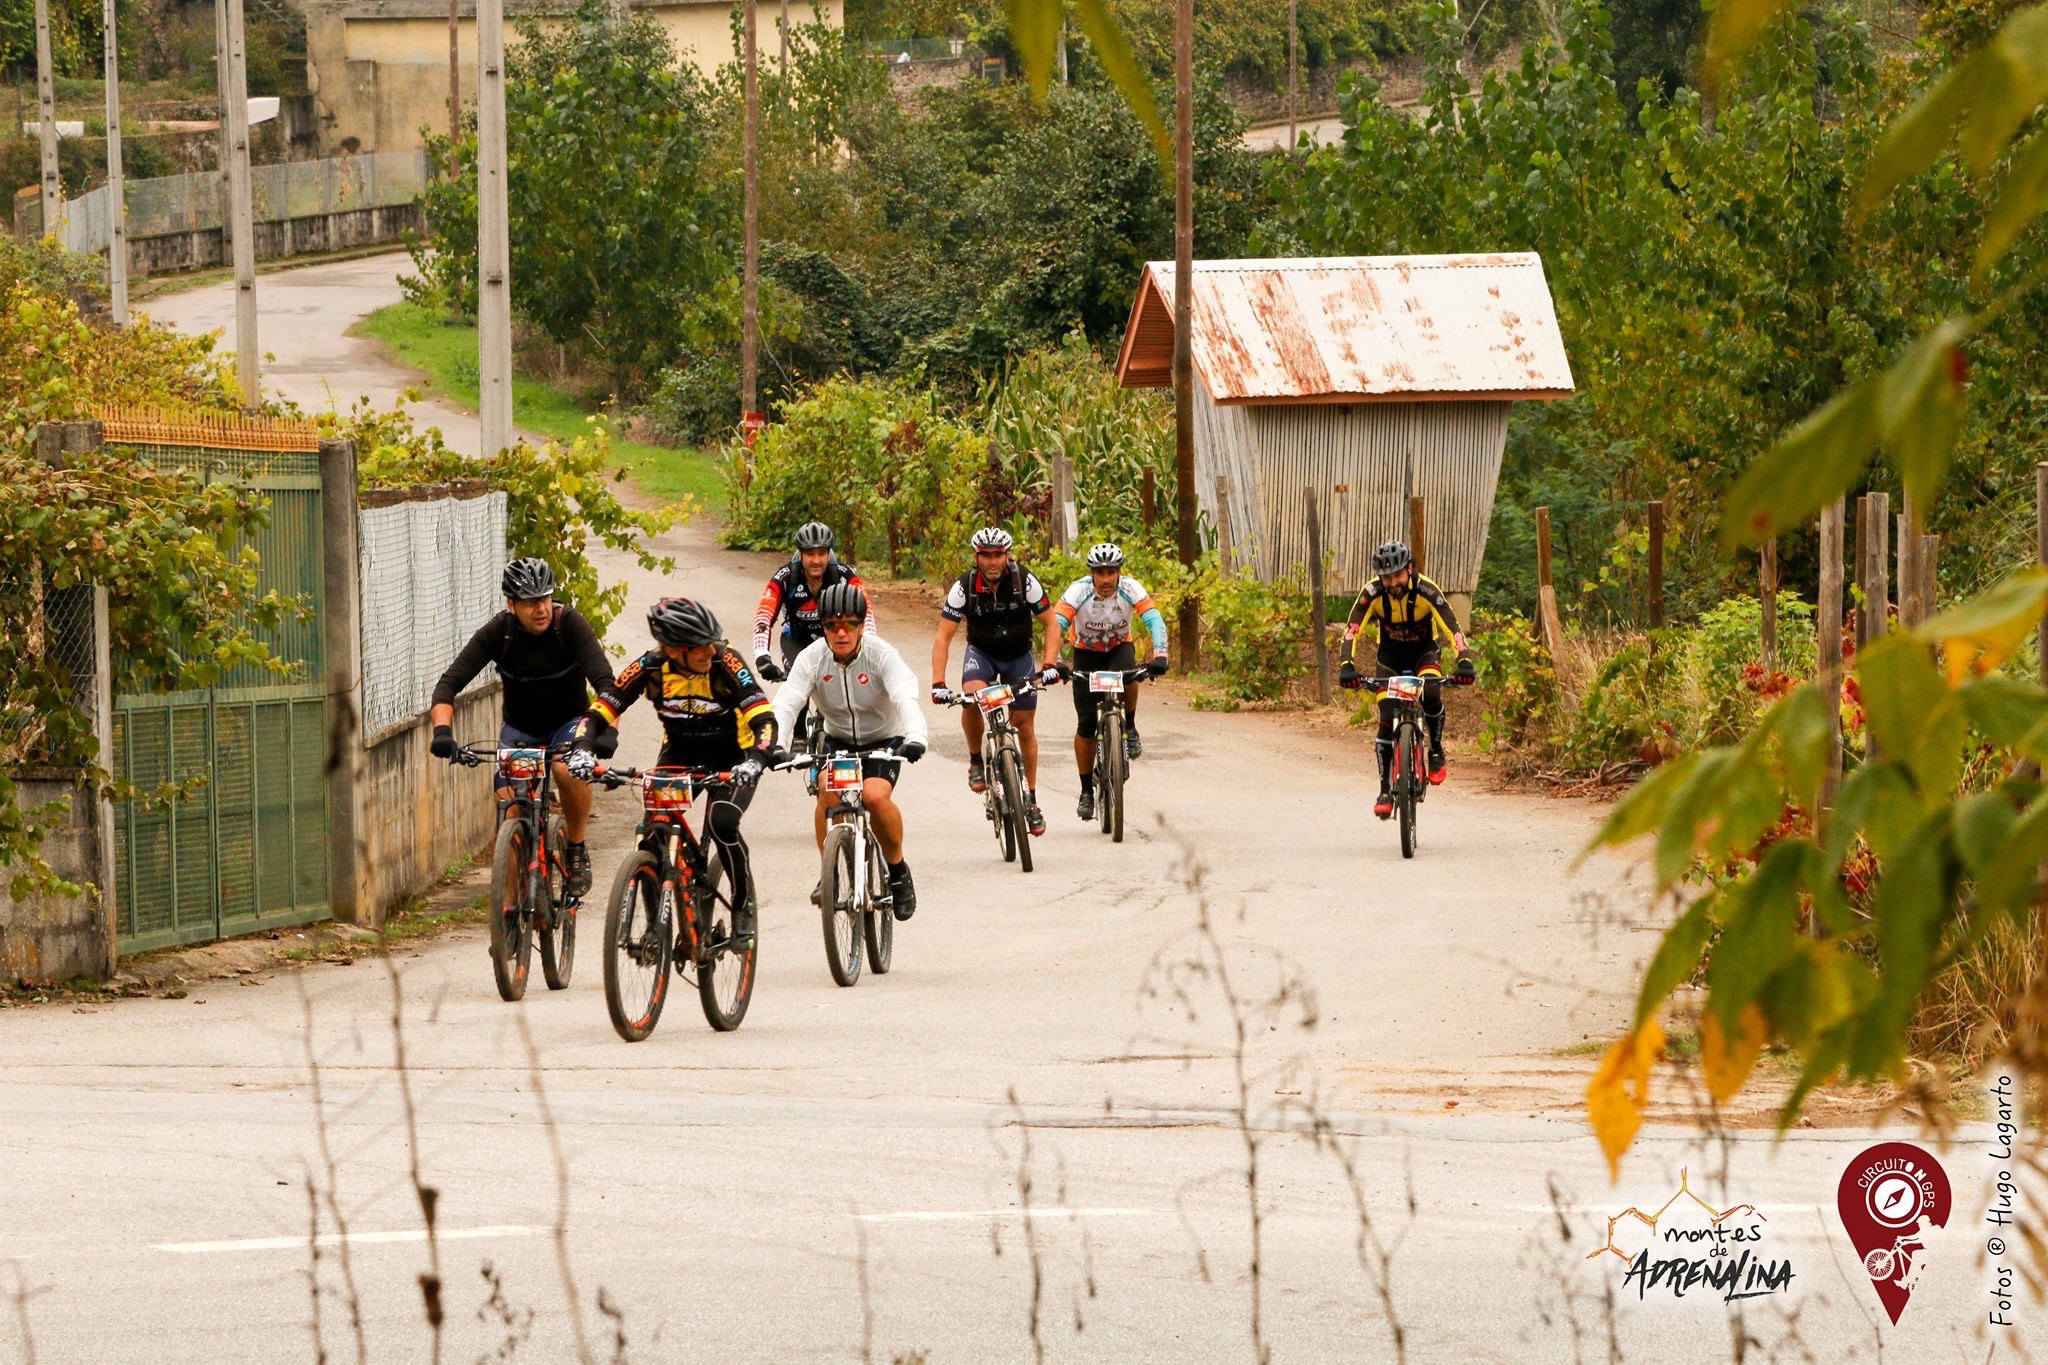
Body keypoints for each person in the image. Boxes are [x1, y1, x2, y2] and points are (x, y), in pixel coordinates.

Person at [567, 597, 781, 932]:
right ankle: (656, 929)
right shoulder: (651, 666)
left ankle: (743, 904)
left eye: (711, 642)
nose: (710, 651)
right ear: (672, 650)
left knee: (723, 822)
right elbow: (601, 710)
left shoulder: (725, 661)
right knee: (653, 831)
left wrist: (756, 759)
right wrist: (581, 749)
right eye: (699, 646)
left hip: (734, 756)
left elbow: (764, 718)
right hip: (680, 753)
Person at [430, 557, 612, 898]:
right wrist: (442, 733)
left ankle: (576, 848)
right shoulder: (498, 633)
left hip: (569, 723)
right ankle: (509, 912)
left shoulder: (569, 625)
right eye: (530, 602)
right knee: (512, 809)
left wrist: (606, 731)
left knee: (566, 769)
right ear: (512, 605)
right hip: (521, 731)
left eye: (545, 598)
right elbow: (448, 685)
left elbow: (607, 685)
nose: (541, 609)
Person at [771, 582, 927, 918]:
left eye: (849, 624)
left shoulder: (881, 655)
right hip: (839, 741)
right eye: (831, 626)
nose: (841, 633)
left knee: (874, 796)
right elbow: (787, 703)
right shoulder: (811, 658)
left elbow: (905, 696)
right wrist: (776, 745)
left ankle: (898, 870)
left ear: (861, 625)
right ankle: (830, 872)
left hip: (883, 740)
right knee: (827, 793)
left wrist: (915, 737)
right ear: (823, 627)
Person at [931, 526, 1059, 836]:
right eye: (986, 555)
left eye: (998, 555)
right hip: (983, 654)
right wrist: (938, 683)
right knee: (972, 699)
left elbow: (1051, 624)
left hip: (1018, 656)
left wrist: (1050, 664)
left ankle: (1030, 799)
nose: (992, 562)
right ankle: (976, 759)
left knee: (1025, 727)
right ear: (977, 557)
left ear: (1007, 556)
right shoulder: (963, 587)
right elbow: (942, 637)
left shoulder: (1024, 581)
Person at [1338, 540, 1474, 818]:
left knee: (1432, 695)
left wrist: (1464, 659)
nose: (1393, 583)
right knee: (1387, 716)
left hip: (1424, 653)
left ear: (1409, 569)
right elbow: (1351, 630)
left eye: (1398, 575)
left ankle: (1435, 750)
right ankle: (1384, 790)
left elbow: (1452, 627)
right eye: (1386, 577)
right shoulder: (1371, 593)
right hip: (1390, 658)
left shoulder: (1427, 590)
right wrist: (1346, 665)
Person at [1049, 543, 1169, 821]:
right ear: (1091, 573)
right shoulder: (1078, 591)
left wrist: (1161, 654)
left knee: (1130, 672)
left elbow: (1154, 619)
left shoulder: (1130, 588)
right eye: (1100, 573)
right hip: (1086, 653)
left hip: (1118, 648)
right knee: (1086, 725)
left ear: (1119, 573)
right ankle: (1085, 791)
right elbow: (1056, 625)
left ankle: (1130, 726)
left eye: (1111, 572)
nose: (1105, 579)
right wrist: (1054, 661)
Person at [750, 521, 876, 683]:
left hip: (833, 639)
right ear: (800, 554)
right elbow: (763, 616)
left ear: (829, 554)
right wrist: (762, 656)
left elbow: (866, 612)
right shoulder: (785, 577)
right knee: (799, 689)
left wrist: (870, 646)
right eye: (810, 553)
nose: (816, 560)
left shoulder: (843, 575)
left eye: (822, 553)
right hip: (795, 640)